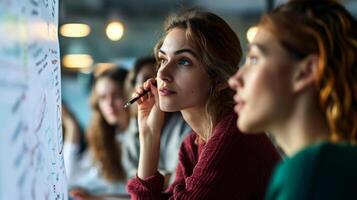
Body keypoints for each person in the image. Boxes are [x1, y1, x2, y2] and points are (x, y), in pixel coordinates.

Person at [127, 8, 281, 199]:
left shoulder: (233, 136)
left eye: (183, 61)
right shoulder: (192, 145)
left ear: (220, 79)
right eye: (163, 59)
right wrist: (149, 135)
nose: (162, 74)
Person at [228, 0, 357, 199]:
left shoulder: (310, 172)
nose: (234, 80)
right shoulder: (337, 165)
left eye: (254, 59)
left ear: (304, 73)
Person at [122, 56, 192, 187]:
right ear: (134, 87)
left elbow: (177, 181)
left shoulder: (185, 124)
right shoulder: (133, 128)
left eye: (156, 81)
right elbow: (132, 181)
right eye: (145, 80)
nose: (157, 86)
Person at [63, 67, 131, 199]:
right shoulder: (111, 136)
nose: (109, 104)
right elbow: (69, 177)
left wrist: (98, 198)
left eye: (116, 95)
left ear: (129, 95)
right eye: (102, 97)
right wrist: (71, 126)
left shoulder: (140, 137)